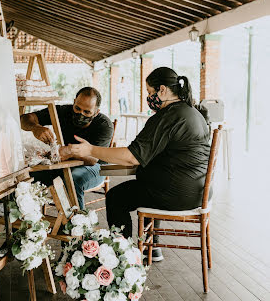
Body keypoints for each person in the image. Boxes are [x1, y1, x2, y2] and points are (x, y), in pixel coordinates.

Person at [68, 67, 210, 261]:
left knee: (116, 197)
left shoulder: (167, 116)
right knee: (149, 184)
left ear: (162, 90)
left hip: (178, 193)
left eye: (150, 93)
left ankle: (123, 257)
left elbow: (131, 157)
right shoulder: (192, 112)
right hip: (199, 191)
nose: (149, 98)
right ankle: (153, 248)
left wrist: (91, 150)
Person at [20, 87, 114, 209]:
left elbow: (93, 159)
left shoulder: (104, 125)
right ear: (74, 102)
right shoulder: (63, 111)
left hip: (96, 167)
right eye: (77, 108)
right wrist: (35, 127)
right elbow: (24, 119)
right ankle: (25, 222)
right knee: (27, 178)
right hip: (64, 163)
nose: (81, 114)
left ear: (96, 112)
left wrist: (70, 152)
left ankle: (75, 225)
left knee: (73, 179)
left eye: (87, 112)